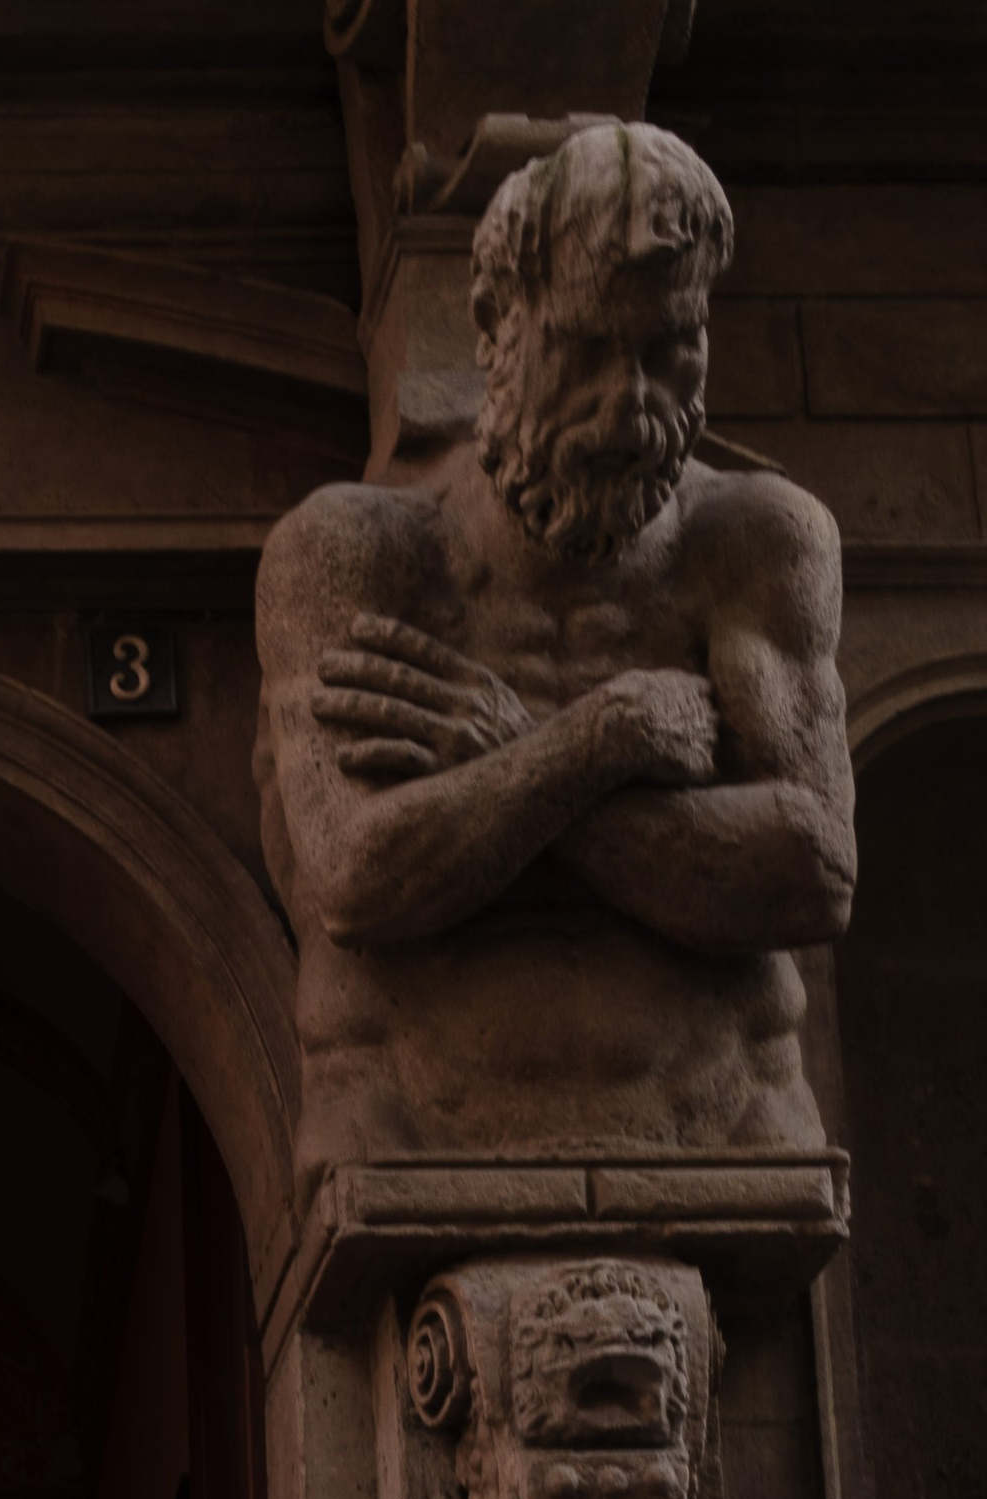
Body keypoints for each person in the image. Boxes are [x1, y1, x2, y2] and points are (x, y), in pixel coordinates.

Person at [254, 120, 855, 1190]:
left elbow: (811, 872)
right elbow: (353, 873)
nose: (629, 405)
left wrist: (508, 763)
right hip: (405, 1147)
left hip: (730, 1140)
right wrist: (597, 740)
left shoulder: (758, 542)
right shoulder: (352, 555)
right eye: (587, 347)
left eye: (671, 347)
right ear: (498, 324)